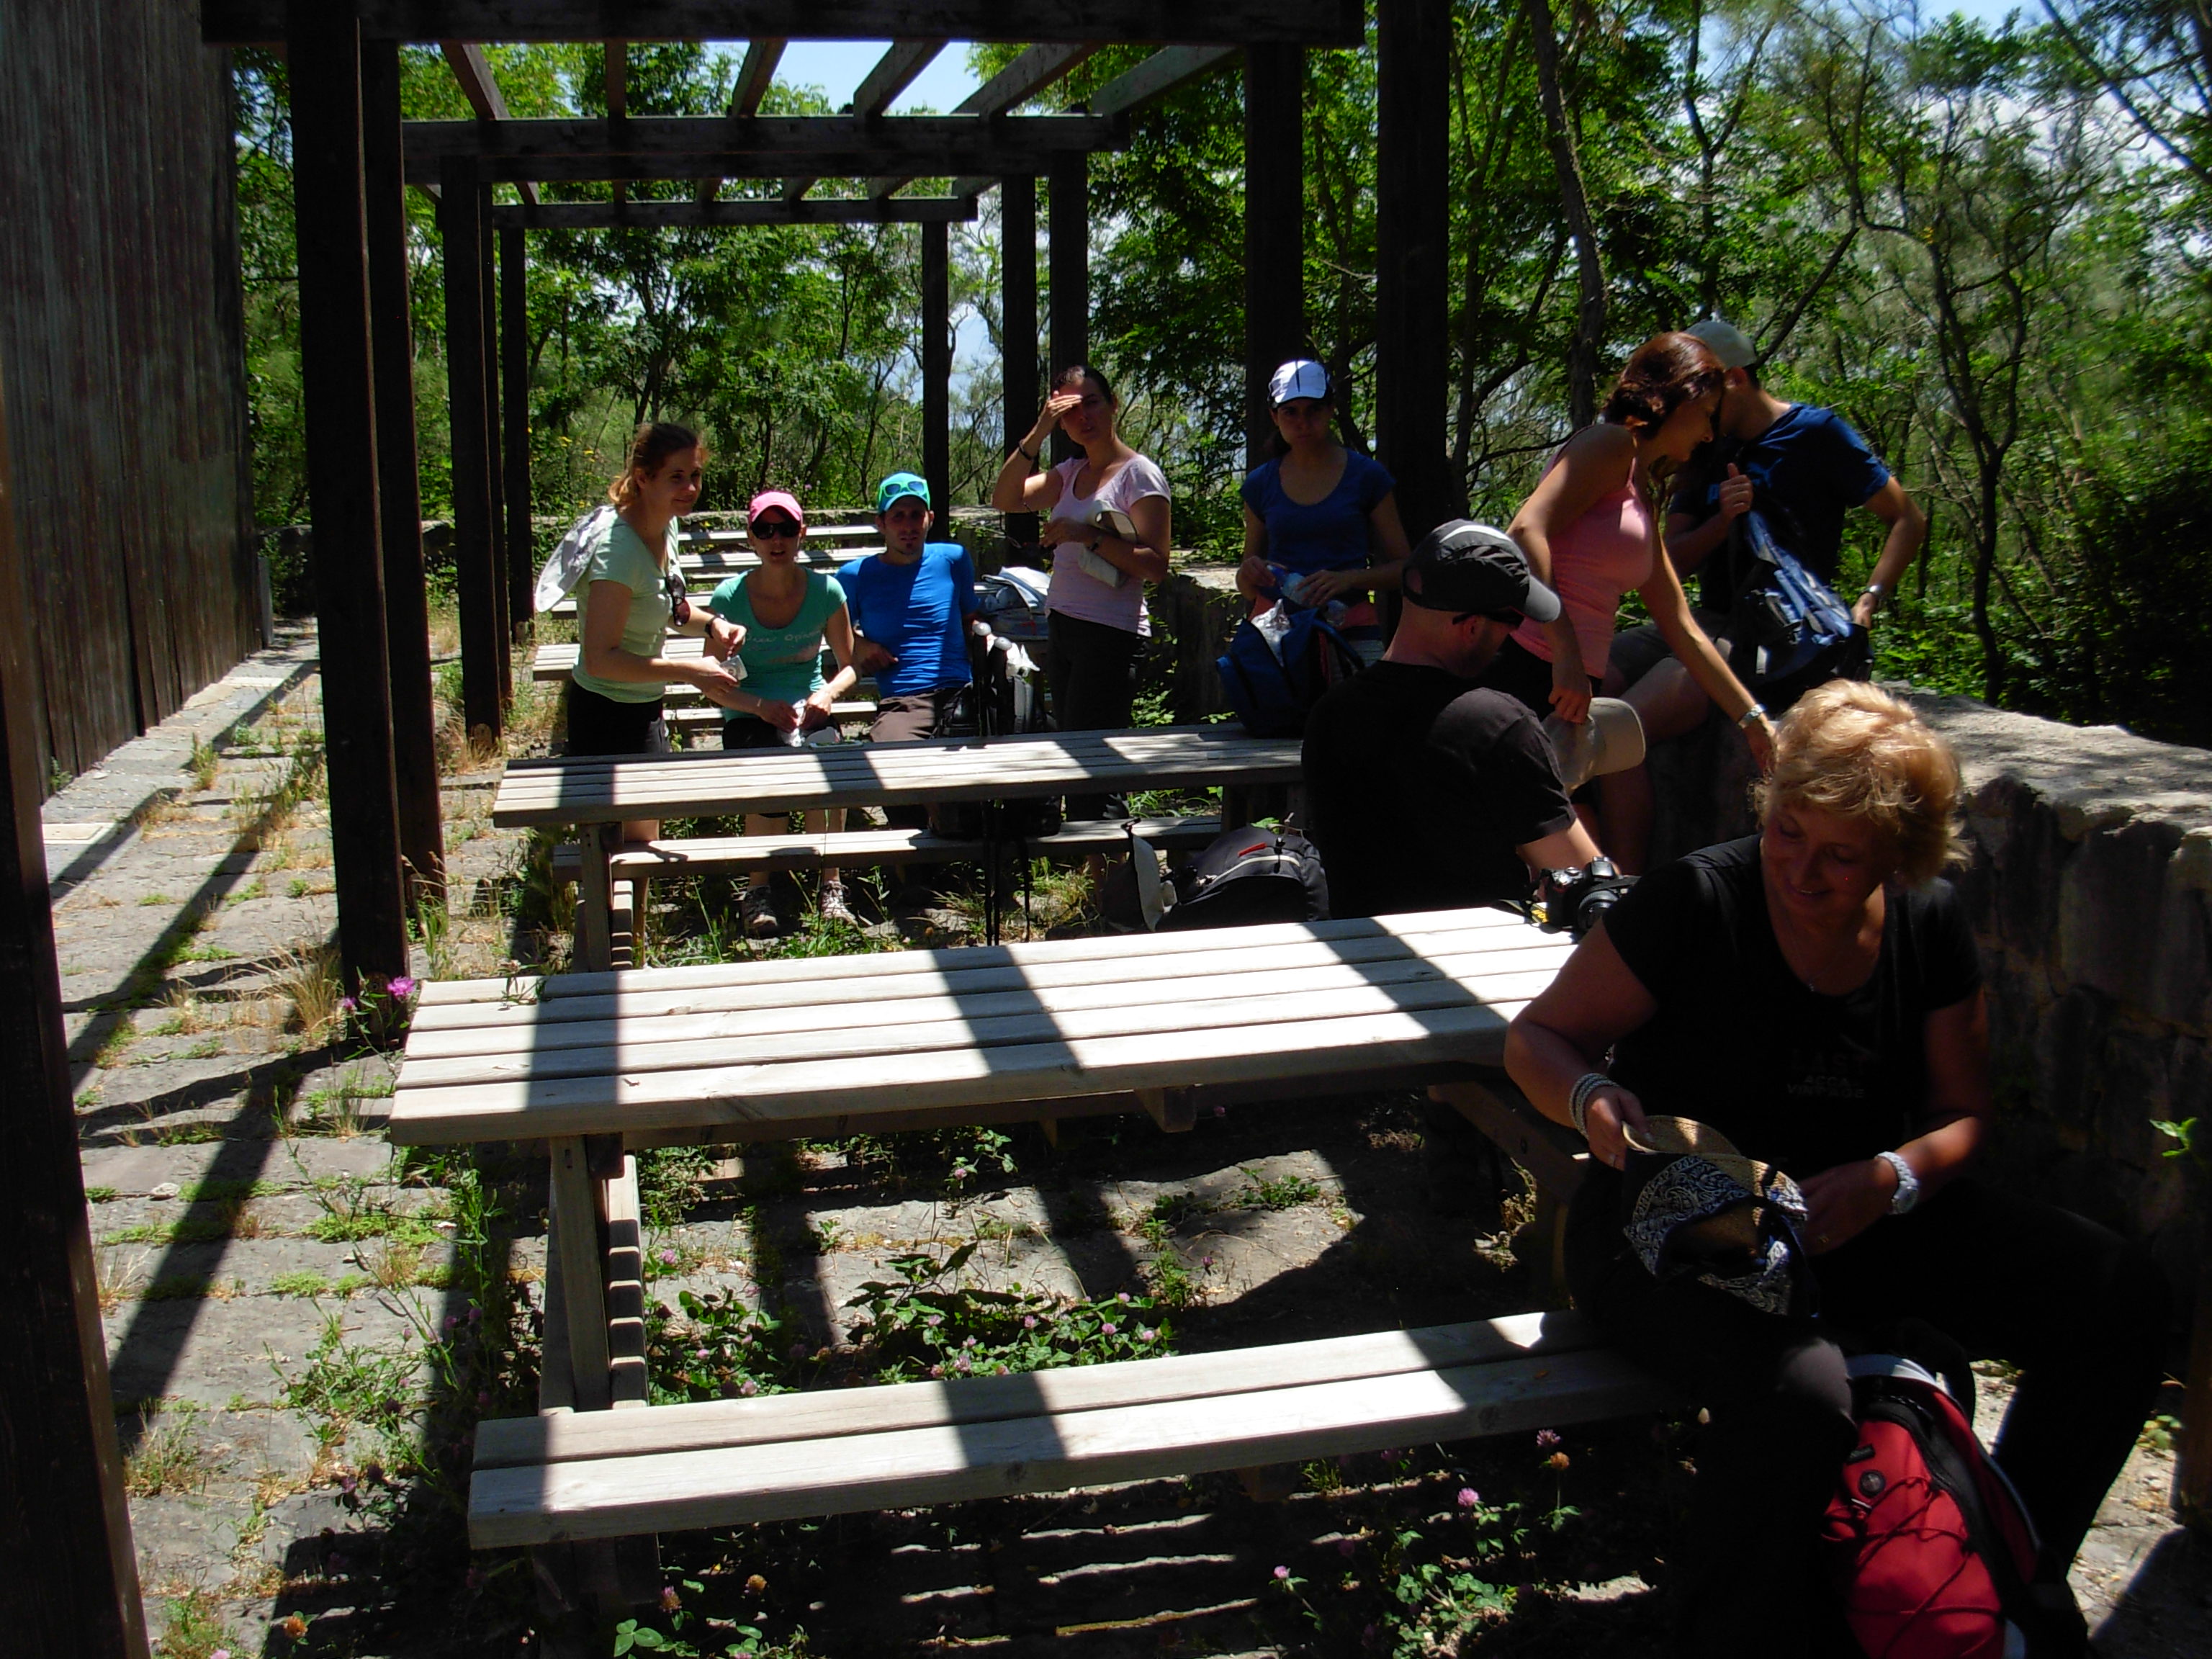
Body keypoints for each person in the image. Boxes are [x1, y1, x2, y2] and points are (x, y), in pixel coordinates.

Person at [1504, 681, 2166, 1655]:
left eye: (1841, 855)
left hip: (1848, 1219)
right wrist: (1593, 1099)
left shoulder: (1926, 923)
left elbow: (1963, 1116)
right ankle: (1732, 1634)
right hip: (1673, 1235)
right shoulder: (1697, 900)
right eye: (1788, 834)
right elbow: (1538, 1039)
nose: (1802, 871)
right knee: (1801, 1395)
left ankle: (1997, 1565)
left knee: (2118, 1297)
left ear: (1898, 856)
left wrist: (1892, 1177)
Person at [1303, 522, 1628, 1218]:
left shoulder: (1330, 715)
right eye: (1510, 623)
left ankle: (1453, 1136)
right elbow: (1586, 878)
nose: (1513, 639)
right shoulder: (1493, 722)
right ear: (1470, 625)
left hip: (1362, 969)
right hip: (1471, 982)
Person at [1604, 316, 1930, 868]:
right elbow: (1668, 561)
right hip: (1704, 616)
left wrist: (1868, 600)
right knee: (1598, 677)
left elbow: (1907, 518)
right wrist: (1723, 521)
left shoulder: (1817, 434)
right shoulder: (1701, 446)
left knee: (1620, 727)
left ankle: (1623, 885)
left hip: (1773, 633)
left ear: (1733, 379)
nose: (1702, 420)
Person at [1491, 333, 1772, 860]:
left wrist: (1753, 721)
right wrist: (1566, 650)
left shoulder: (1640, 489)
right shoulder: (1610, 445)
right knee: (1556, 862)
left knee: (1566, 868)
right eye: (1706, 414)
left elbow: (1681, 626)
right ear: (1681, 396)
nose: (1709, 433)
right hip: (1530, 669)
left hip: (1568, 691)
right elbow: (1526, 530)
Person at [990, 364, 1172, 819]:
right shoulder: (1069, 473)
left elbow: (1156, 565)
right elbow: (1006, 498)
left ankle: (1114, 861)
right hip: (1065, 626)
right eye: (1070, 410)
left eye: (1091, 403)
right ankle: (1096, 862)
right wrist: (1039, 430)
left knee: (1095, 771)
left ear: (1113, 405)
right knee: (1075, 761)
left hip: (1111, 635)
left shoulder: (1139, 475)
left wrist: (1086, 535)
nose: (1083, 417)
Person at [568, 421, 745, 846]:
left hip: (645, 706)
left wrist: (714, 624)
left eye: (695, 475)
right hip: (603, 714)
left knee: (644, 845)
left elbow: (668, 607)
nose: (690, 488)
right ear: (643, 478)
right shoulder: (617, 551)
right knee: (608, 852)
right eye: (676, 477)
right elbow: (600, 659)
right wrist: (689, 671)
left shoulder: (667, 525)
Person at [706, 490, 861, 937]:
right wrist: (758, 707)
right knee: (768, 779)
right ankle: (758, 888)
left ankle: (830, 885)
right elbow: (710, 680)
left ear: (801, 534)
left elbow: (850, 665)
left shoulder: (826, 591)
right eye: (766, 530)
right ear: (751, 537)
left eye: (787, 529)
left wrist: (826, 694)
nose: (777, 540)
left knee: (830, 772)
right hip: (749, 710)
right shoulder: (730, 597)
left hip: (807, 707)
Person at [1236, 358, 1411, 665]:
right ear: (1274, 416)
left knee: (1363, 696)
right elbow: (1247, 585)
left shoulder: (1367, 477)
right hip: (1278, 635)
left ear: (1330, 410)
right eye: (1291, 412)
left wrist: (1350, 579)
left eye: (1313, 410)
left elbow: (1406, 568)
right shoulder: (1260, 484)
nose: (1302, 422)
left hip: (1351, 629)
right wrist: (1250, 573)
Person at [837, 472, 980, 829]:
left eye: (916, 515)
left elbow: (971, 620)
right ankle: (922, 850)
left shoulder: (953, 559)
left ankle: (957, 832)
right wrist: (862, 645)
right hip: (903, 700)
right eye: (897, 516)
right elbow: (835, 633)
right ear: (881, 524)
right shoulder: (855, 576)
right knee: (890, 759)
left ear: (929, 518)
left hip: (959, 693)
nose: (908, 526)